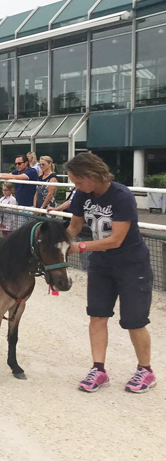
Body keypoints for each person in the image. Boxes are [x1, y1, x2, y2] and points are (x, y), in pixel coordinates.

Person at [64, 152, 155, 394]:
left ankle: (145, 370)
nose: (76, 186)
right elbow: (74, 227)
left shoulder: (122, 196)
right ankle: (98, 369)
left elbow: (116, 240)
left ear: (92, 175)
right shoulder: (82, 195)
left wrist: (80, 247)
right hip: (100, 264)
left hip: (131, 264)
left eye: (78, 181)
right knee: (97, 316)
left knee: (134, 321)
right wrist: (56, 242)